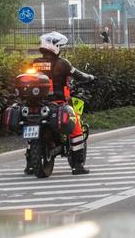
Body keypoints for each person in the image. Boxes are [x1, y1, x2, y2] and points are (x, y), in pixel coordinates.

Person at [31, 32, 95, 175]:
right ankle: (78, 166)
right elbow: (79, 75)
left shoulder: (35, 62)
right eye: (60, 46)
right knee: (76, 129)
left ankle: (30, 165)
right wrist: (91, 77)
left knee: (32, 127)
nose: (61, 48)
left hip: (39, 104)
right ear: (54, 46)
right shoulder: (62, 63)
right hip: (58, 103)